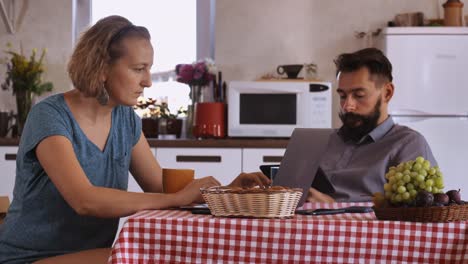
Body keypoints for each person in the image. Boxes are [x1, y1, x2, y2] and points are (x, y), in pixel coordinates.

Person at [0, 15, 269, 264]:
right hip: (31, 258)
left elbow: (161, 186)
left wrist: (225, 192)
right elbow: (85, 200)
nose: (148, 82)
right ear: (101, 68)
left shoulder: (126, 121)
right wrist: (174, 199)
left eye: (149, 69)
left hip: (94, 255)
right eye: (139, 69)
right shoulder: (50, 116)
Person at [306, 48, 437, 203]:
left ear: (387, 93)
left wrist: (332, 207)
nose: (348, 106)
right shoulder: (325, 140)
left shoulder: (408, 144)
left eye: (359, 95)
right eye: (342, 96)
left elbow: (411, 216)